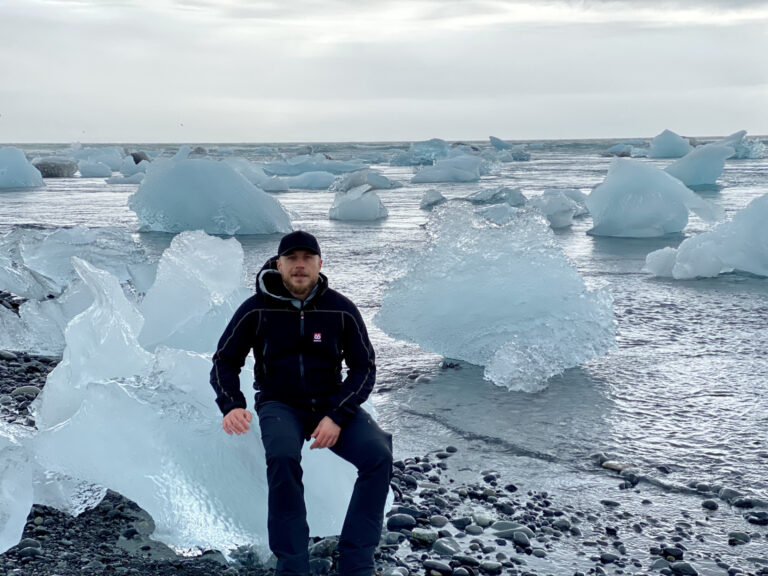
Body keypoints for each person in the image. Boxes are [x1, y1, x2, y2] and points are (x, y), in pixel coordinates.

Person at [210, 230, 393, 576]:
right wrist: (231, 403)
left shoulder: (341, 309)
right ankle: (293, 565)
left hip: (330, 402)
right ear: (278, 265)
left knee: (379, 456)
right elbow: (224, 360)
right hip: (280, 405)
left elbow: (364, 367)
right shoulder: (255, 310)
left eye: (307, 258)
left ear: (319, 264)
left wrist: (337, 414)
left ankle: (356, 562)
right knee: (282, 458)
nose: (299, 265)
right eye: (291, 259)